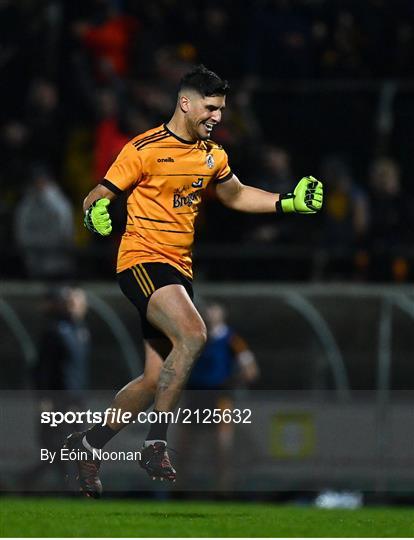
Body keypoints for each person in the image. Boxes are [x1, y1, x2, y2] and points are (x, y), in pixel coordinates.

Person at [64, 64, 323, 498]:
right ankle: (156, 443)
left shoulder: (212, 155)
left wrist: (288, 202)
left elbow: (235, 194)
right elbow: (99, 194)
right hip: (142, 262)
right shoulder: (143, 148)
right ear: (185, 103)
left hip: (178, 271)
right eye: (211, 107)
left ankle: (88, 444)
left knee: (152, 380)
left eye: (221, 109)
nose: (218, 117)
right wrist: (95, 214)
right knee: (194, 332)